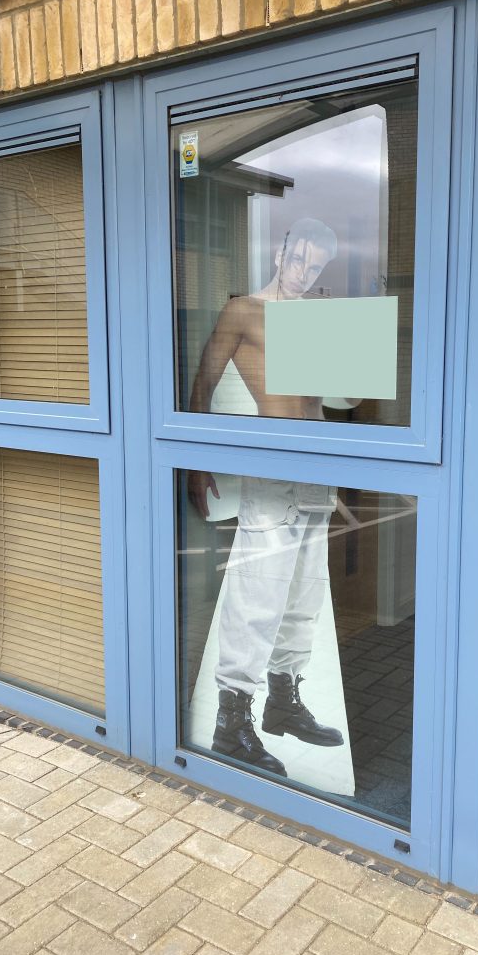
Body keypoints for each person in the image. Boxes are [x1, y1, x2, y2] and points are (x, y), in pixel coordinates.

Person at [187, 218, 344, 778]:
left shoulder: (317, 315)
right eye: (298, 259)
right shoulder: (244, 310)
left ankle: (283, 700)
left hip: (317, 464)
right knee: (258, 594)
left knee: (305, 590)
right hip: (274, 465)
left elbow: (342, 397)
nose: (304, 272)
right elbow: (203, 381)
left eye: (316, 265)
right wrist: (196, 463)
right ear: (281, 252)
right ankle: (231, 722)